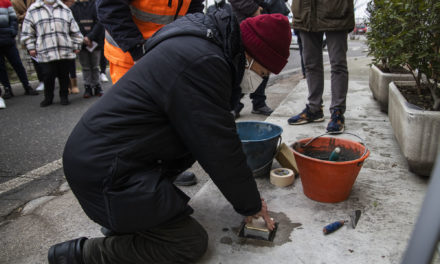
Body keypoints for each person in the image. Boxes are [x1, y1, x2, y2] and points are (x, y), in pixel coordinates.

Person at [47, 11, 291, 264]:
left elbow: (210, 135)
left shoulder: (203, 46)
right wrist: (250, 205)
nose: (261, 81)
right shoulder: (204, 62)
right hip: (105, 171)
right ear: (252, 56)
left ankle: (130, 225)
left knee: (167, 205)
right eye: (263, 73)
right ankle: (81, 255)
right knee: (188, 243)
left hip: (107, 158)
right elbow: (219, 146)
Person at [96, 0, 204, 84]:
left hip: (168, 54)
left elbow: (193, 9)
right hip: (129, 57)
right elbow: (110, 8)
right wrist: (137, 51)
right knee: (135, 108)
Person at [288, 0, 354, 134]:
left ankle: (337, 111)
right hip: (305, 11)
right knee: (311, 64)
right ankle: (314, 109)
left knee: (338, 64)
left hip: (336, 10)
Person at [229, 0, 290, 117]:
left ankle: (258, 101)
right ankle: (234, 102)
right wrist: (253, 9)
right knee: (245, 67)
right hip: (246, 21)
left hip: (267, 17)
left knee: (264, 65)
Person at [20, 0, 83, 107]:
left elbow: (75, 30)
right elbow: (27, 32)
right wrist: (31, 47)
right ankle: (48, 97)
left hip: (64, 49)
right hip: (45, 50)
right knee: (48, 75)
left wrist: (76, 44)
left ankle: (64, 95)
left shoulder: (64, 8)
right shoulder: (34, 10)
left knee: (64, 74)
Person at [0, 0, 38, 101]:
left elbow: (13, 19)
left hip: (8, 39)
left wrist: (12, 32)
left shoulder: (5, 2)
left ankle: (26, 85)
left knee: (17, 63)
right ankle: (7, 89)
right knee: (1, 68)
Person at [71, 0, 104, 98]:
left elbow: (100, 22)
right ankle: (87, 86)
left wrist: (90, 37)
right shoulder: (73, 8)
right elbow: (74, 24)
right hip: (81, 42)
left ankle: (97, 86)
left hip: (95, 41)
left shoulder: (96, 5)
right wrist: (84, 38)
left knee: (95, 66)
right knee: (85, 66)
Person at [11, 0, 45, 92]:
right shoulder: (14, 2)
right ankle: (42, 80)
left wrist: (25, 14)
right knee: (34, 57)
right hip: (27, 30)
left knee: (45, 55)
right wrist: (29, 13)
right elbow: (16, 17)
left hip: (41, 28)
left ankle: (50, 78)